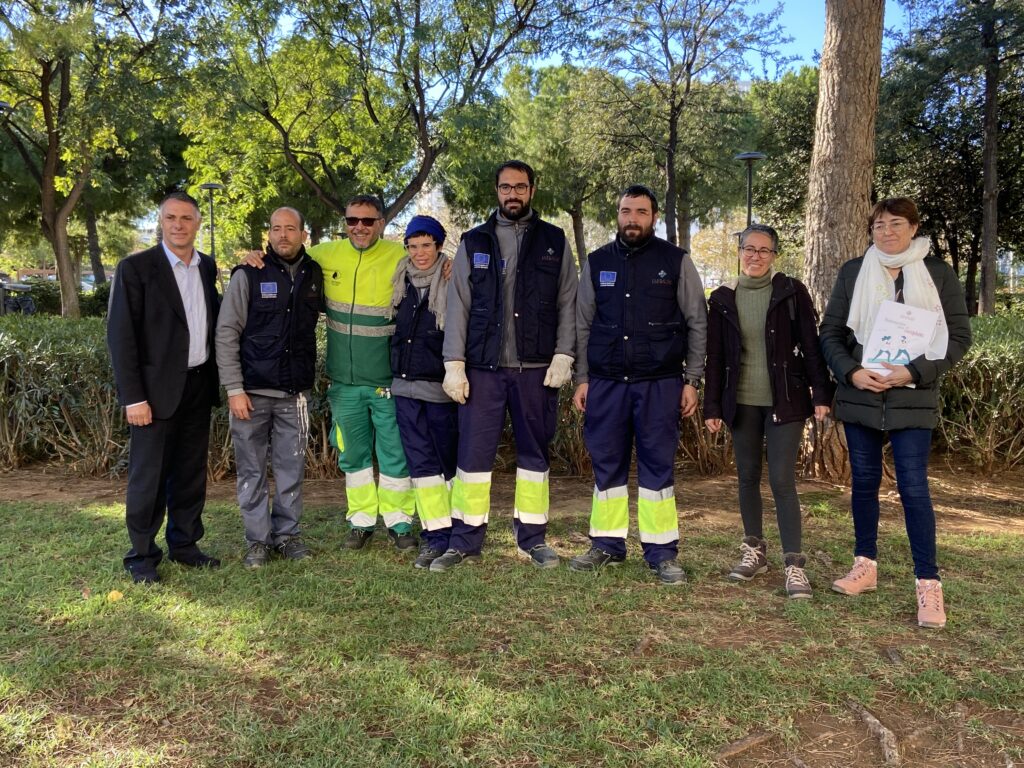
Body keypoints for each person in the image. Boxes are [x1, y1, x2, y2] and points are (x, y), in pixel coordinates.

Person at [820, 197, 971, 628]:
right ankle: (864, 566)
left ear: (914, 227)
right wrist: (851, 373)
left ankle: (928, 585)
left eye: (896, 224)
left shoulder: (937, 273)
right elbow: (830, 333)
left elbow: (958, 336)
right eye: (879, 225)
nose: (886, 232)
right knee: (863, 484)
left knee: (914, 489)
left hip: (913, 398)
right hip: (862, 397)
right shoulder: (854, 271)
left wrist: (913, 371)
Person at [435, 160, 578, 572]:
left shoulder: (554, 240)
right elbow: (457, 304)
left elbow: (568, 300)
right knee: (472, 459)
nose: (512, 194)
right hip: (482, 369)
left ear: (532, 190)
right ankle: (464, 540)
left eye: (520, 187)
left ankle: (533, 539)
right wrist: (454, 364)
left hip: (536, 370)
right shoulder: (474, 241)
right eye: (505, 187)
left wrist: (564, 354)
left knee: (535, 455)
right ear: (496, 191)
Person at [569, 185, 707, 585]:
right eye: (626, 211)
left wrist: (692, 380)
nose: (632, 218)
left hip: (660, 385)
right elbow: (582, 325)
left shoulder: (676, 262)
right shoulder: (596, 263)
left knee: (657, 469)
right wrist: (582, 379)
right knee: (606, 465)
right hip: (606, 384)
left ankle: (662, 553)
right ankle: (607, 546)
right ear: (617, 214)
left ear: (654, 216)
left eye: (641, 212)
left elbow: (697, 321)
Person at [703, 224, 833, 598]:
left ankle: (794, 565)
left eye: (764, 250)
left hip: (785, 403)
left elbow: (812, 345)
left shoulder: (791, 292)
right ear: (740, 252)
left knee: (781, 480)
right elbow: (716, 358)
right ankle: (754, 551)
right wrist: (712, 404)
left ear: (774, 255)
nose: (756, 256)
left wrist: (820, 393)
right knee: (746, 477)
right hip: (741, 403)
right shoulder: (723, 298)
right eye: (749, 249)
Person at [107, 192, 221, 584]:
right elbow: (121, 337)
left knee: (189, 474)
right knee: (149, 478)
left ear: (197, 223)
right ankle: (142, 555)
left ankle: (185, 545)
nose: (178, 225)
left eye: (186, 218)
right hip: (153, 395)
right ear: (161, 222)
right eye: (171, 217)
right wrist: (133, 397)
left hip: (198, 385)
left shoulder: (207, 266)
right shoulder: (135, 268)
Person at [216, 207, 322, 568]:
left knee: (291, 468)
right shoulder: (249, 272)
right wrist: (234, 388)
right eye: (276, 229)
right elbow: (227, 332)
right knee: (251, 469)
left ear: (303, 234)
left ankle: (288, 535)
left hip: (295, 394)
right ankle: (257, 541)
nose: (283, 235)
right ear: (269, 233)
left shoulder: (315, 273)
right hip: (250, 393)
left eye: (290, 228)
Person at [389, 215, 457, 569]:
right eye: (413, 246)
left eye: (426, 245)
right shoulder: (399, 279)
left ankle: (456, 533)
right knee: (422, 468)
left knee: (447, 466)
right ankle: (434, 536)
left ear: (439, 245)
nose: (419, 253)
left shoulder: (455, 277)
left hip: (441, 390)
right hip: (404, 388)